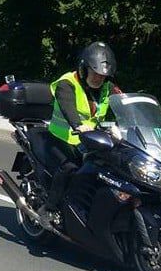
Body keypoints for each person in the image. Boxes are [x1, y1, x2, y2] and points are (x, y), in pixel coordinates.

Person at [40, 42, 122, 218]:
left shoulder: (107, 87)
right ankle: (49, 209)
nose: (98, 79)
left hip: (92, 140)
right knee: (69, 167)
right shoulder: (67, 84)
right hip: (63, 137)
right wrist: (78, 125)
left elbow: (123, 104)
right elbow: (67, 107)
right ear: (84, 69)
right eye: (95, 73)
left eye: (102, 76)